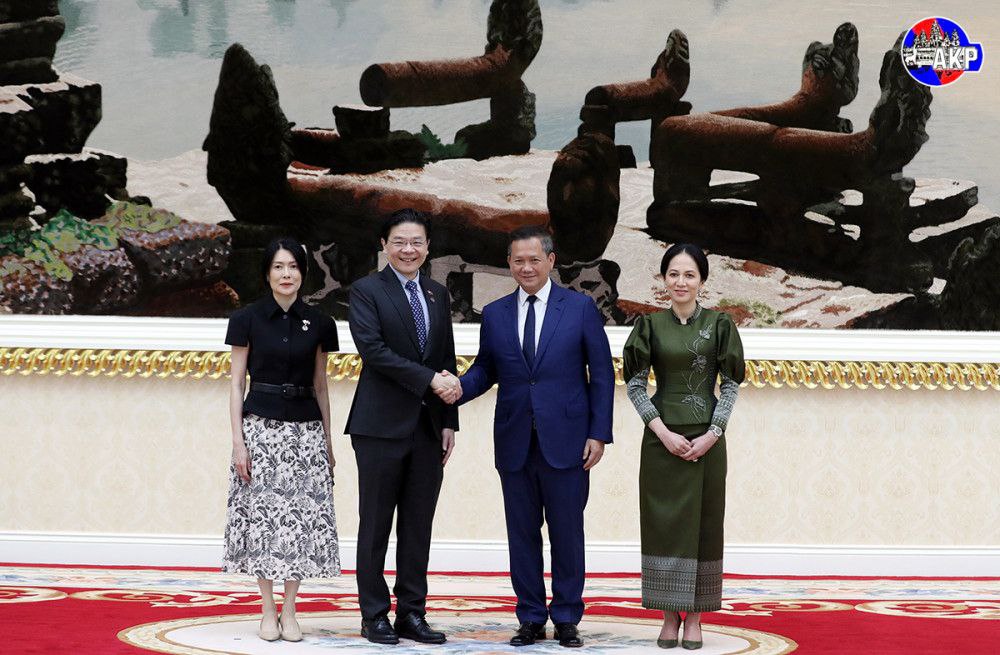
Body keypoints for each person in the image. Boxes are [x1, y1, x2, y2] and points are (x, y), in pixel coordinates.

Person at [455, 225, 615, 648]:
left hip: (568, 441)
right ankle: (529, 617)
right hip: (515, 442)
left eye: (533, 260)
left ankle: (566, 617)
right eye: (518, 261)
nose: (526, 267)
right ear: (509, 264)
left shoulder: (579, 308)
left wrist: (599, 433)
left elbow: (601, 374)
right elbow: (486, 369)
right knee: (521, 535)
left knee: (567, 534)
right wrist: (456, 389)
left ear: (550, 261)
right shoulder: (495, 313)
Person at [345, 208, 460, 645]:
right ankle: (374, 614)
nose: (408, 249)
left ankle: (412, 612)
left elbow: (445, 358)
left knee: (418, 525)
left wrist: (449, 421)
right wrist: (429, 380)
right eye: (399, 242)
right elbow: (373, 351)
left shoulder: (436, 293)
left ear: (427, 247)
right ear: (384, 246)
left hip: (428, 427)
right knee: (375, 523)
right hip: (379, 425)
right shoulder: (366, 290)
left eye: (416, 242)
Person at [621, 243, 745, 650]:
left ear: (702, 280)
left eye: (689, 274)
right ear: (663, 278)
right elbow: (635, 386)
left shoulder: (720, 325)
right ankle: (668, 614)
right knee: (664, 528)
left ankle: (695, 617)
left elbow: (730, 386)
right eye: (673, 273)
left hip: (708, 442)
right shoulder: (649, 326)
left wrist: (713, 433)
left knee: (704, 528)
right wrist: (661, 432)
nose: (681, 282)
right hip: (662, 442)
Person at [223, 237, 341, 643]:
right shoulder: (246, 319)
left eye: (293, 267)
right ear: (267, 273)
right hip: (260, 430)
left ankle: (290, 609)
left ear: (303, 273)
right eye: (278, 267)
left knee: (300, 520)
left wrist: (327, 442)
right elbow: (237, 384)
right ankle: (267, 608)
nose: (286, 274)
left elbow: (321, 385)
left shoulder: (321, 323)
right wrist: (238, 442)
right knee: (263, 519)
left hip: (306, 432)